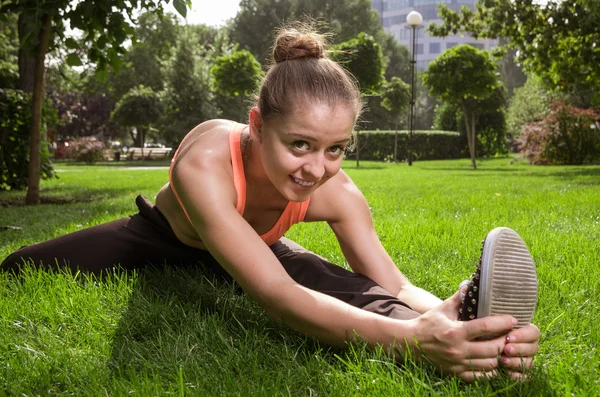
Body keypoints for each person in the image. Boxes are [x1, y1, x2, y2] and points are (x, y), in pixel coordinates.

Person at [1, 24, 540, 382]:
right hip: (164, 236)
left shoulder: (337, 189)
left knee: (352, 288)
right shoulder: (205, 162)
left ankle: (468, 329)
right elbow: (276, 296)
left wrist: (441, 315)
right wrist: (409, 342)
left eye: (335, 149)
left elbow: (392, 284)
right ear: (257, 126)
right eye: (299, 144)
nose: (315, 169)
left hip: (259, 245)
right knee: (19, 267)